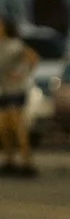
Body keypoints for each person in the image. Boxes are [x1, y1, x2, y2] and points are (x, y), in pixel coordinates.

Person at [0, 17, 34, 178]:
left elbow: (32, 58)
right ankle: (9, 160)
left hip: (15, 90)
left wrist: (21, 74)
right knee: (4, 126)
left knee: (17, 125)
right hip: (3, 90)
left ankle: (26, 161)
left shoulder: (16, 45)